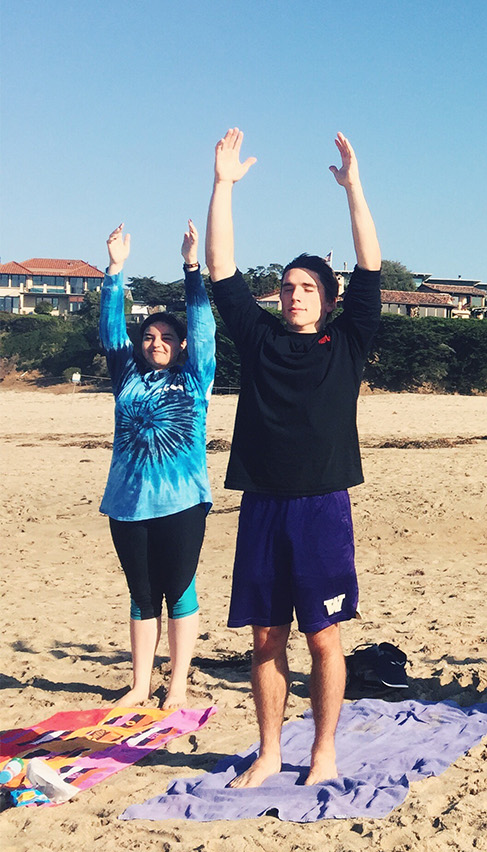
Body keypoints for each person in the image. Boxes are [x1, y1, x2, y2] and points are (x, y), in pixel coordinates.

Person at [204, 128, 383, 786]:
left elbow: (370, 267)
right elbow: (222, 272)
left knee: (324, 637)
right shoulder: (260, 339)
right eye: (287, 286)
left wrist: (353, 187)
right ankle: (271, 749)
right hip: (263, 506)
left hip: (322, 507)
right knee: (264, 638)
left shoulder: (348, 340)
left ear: (328, 300)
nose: (294, 293)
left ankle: (324, 750)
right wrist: (223, 186)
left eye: (307, 287)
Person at [99, 220, 215, 710]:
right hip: (127, 504)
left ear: (181, 344)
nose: (157, 342)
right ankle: (140, 684)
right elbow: (109, 331)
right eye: (149, 335)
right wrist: (115, 272)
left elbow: (204, 326)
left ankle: (179, 683)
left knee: (179, 590)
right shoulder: (126, 376)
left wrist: (192, 269)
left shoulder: (195, 379)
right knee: (141, 594)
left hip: (183, 503)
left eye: (167, 336)